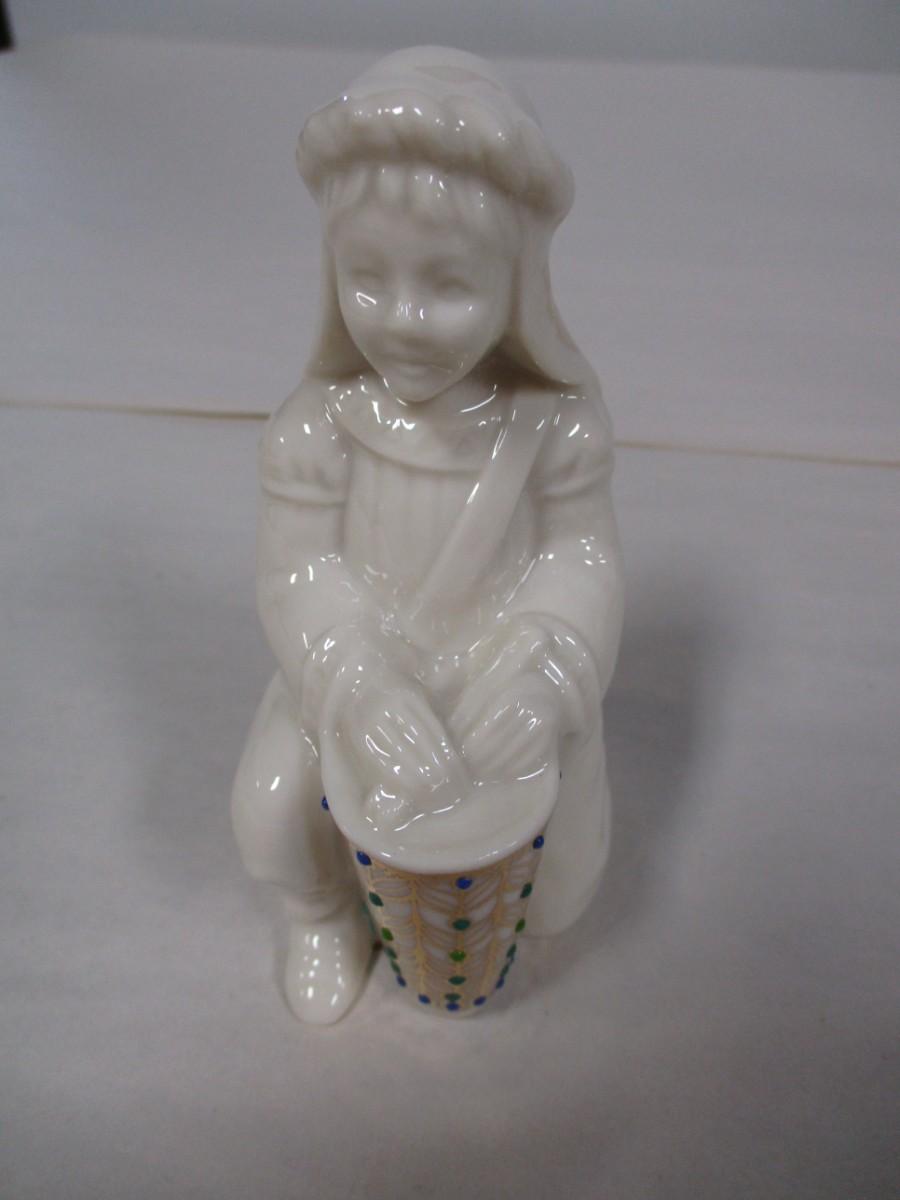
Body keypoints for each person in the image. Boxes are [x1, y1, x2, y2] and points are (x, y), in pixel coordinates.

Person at [232, 47, 624, 1023]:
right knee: (273, 806)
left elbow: (579, 561)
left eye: (448, 287)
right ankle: (325, 912)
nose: (403, 321)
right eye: (367, 279)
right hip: (362, 670)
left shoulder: (556, 428)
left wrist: (545, 674)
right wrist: (356, 684)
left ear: (518, 285)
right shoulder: (316, 430)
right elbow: (298, 574)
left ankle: (503, 918)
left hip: (498, 673)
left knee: (558, 879)